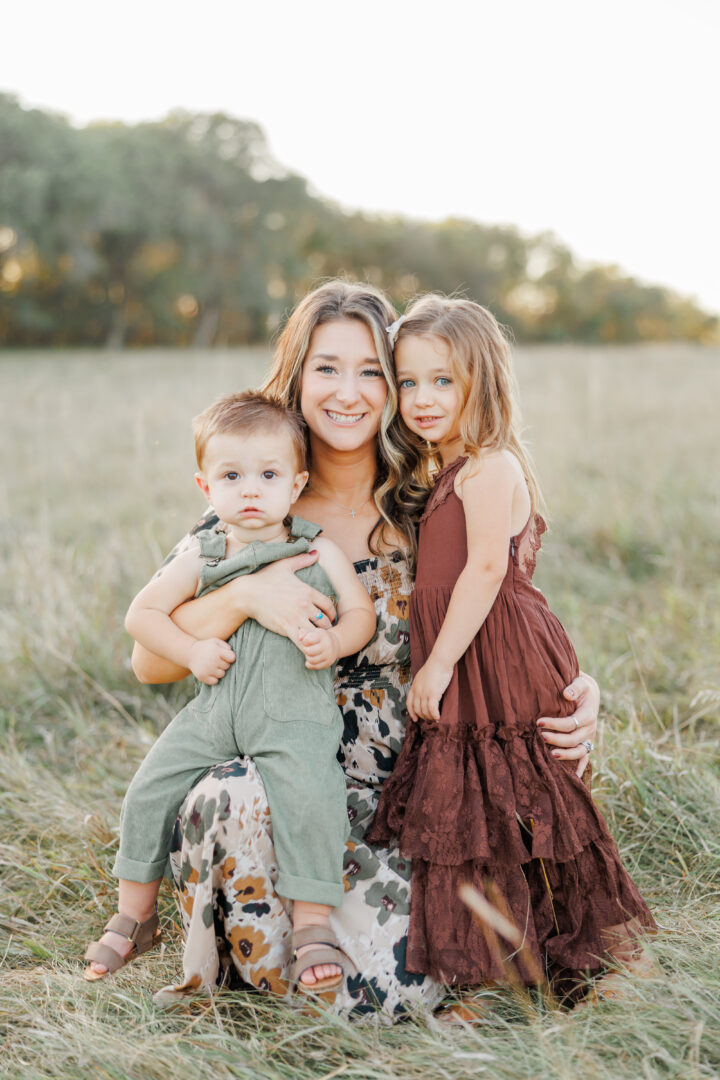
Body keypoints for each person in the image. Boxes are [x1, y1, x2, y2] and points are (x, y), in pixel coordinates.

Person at [128, 281, 601, 1020]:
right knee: (230, 794)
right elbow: (149, 662)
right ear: (296, 375)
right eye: (326, 367)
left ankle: (310, 969)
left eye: (372, 371)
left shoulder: (428, 502)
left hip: (405, 787)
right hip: (275, 766)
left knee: (402, 979)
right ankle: (248, 953)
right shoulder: (254, 502)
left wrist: (583, 692)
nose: (348, 393)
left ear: (396, 383)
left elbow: (505, 617)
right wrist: (244, 598)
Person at [368, 295, 656, 999]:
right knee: (481, 809)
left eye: (443, 380)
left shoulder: (489, 466)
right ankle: (505, 963)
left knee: (533, 799)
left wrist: (436, 663)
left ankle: (603, 959)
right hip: (472, 658)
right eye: (408, 382)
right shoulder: (441, 469)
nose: (422, 398)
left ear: (483, 382)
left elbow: (489, 570)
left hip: (497, 657)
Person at [84, 392, 376, 990]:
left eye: (268, 476)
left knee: (312, 796)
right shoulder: (204, 551)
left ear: (296, 485)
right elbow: (142, 617)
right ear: (204, 484)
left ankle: (311, 923)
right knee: (149, 787)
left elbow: (360, 613)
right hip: (213, 713)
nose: (250, 490)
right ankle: (135, 914)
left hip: (293, 714)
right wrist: (192, 650)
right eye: (232, 476)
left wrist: (338, 644)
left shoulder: (318, 549)